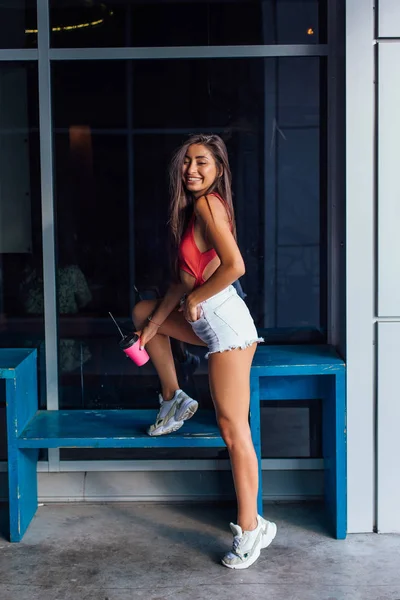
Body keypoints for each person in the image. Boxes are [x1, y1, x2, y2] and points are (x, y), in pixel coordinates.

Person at [132, 134, 277, 569]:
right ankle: (174, 398)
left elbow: (235, 266)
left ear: (218, 171)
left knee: (234, 430)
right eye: (186, 162)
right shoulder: (190, 212)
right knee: (143, 311)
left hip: (228, 329)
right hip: (207, 323)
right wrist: (154, 326)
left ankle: (252, 529)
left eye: (202, 163)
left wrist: (196, 300)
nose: (191, 169)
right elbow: (180, 281)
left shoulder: (208, 204)